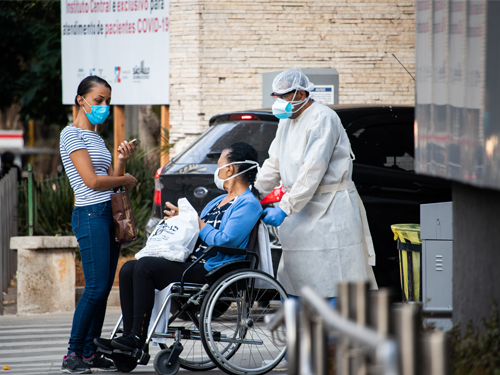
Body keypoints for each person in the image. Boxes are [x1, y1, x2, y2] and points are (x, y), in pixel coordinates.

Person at [94, 142, 263, 353]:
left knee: (146, 267)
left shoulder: (248, 203)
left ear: (230, 169)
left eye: (219, 165)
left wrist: (197, 222)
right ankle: (129, 336)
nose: (217, 171)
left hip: (214, 270)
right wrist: (183, 219)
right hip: (193, 261)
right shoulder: (218, 201)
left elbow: (226, 240)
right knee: (129, 268)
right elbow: (197, 231)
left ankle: (138, 336)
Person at [255, 69, 377, 304]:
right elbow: (274, 162)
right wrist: (255, 191)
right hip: (300, 211)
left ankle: (333, 337)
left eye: (284, 96)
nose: (279, 103)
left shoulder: (323, 118)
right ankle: (302, 336)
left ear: (301, 93)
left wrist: (285, 207)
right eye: (276, 97)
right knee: (297, 278)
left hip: (329, 210)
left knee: (333, 277)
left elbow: (312, 170)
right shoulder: (287, 121)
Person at [59, 76, 139, 374]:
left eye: (107, 101)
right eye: (98, 100)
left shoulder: (96, 138)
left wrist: (121, 160)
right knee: (94, 288)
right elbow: (92, 182)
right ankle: (72, 354)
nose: (104, 106)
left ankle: (90, 352)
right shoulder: (71, 135)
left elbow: (111, 177)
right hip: (90, 215)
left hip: (108, 214)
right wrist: (125, 179)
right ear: (81, 100)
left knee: (104, 288)